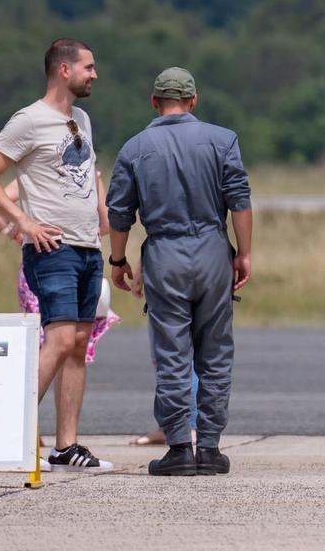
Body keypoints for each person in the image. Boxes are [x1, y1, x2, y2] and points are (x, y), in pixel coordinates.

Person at [0, 37, 113, 472]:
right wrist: (23, 221)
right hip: (53, 248)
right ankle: (7, 434)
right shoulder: (28, 120)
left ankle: (66, 446)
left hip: (87, 247)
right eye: (88, 66)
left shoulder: (82, 119)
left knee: (79, 345)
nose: (95, 74)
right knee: (61, 338)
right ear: (64, 70)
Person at [106, 67, 253, 477]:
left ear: (154, 101)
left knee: (173, 353)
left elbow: (120, 212)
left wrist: (118, 261)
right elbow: (239, 201)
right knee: (216, 353)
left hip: (164, 253)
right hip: (211, 250)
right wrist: (243, 254)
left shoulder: (135, 148)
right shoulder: (223, 140)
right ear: (193, 101)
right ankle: (209, 446)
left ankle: (177, 447)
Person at [0, 174, 120, 364]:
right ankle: (41, 392)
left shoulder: (37, 171)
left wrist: (19, 234)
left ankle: (31, 390)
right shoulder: (90, 174)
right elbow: (106, 224)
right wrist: (80, 234)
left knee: (47, 342)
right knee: (71, 347)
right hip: (81, 259)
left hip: (43, 258)